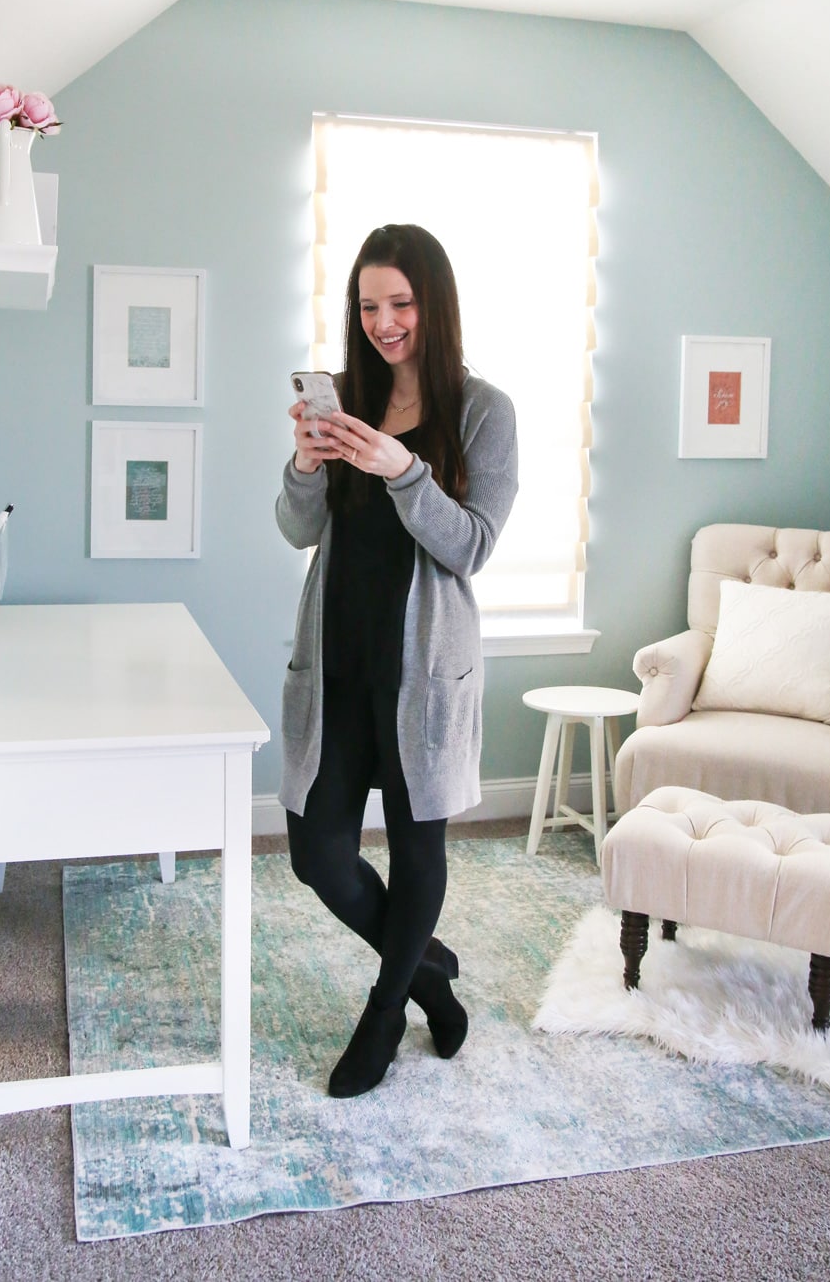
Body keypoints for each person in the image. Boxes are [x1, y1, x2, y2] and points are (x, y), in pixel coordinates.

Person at [275, 223, 518, 1098]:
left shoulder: (484, 411)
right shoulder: (348, 400)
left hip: (424, 673)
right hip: (337, 659)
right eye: (370, 305)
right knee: (317, 853)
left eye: (401, 303)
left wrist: (405, 471)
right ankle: (426, 974)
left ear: (434, 304)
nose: (384, 322)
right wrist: (308, 463)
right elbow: (301, 529)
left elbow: (474, 546)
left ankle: (385, 1016)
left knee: (418, 848)